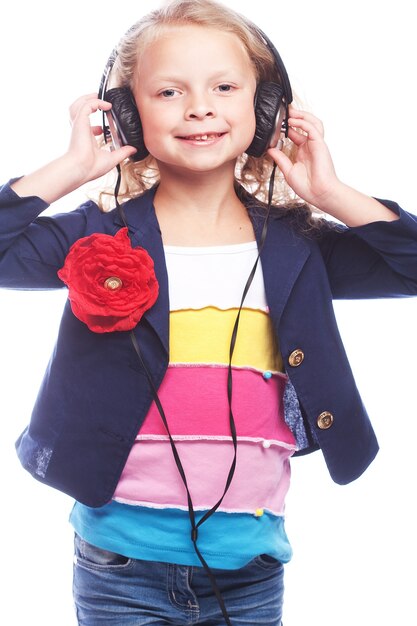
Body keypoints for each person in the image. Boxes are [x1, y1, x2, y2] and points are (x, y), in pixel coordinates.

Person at [1, 0, 416, 624]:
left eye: (225, 86)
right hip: (119, 565)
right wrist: (67, 171)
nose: (200, 107)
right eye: (169, 91)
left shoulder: (298, 245)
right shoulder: (94, 236)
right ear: (127, 117)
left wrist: (331, 193)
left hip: (249, 569)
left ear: (268, 108)